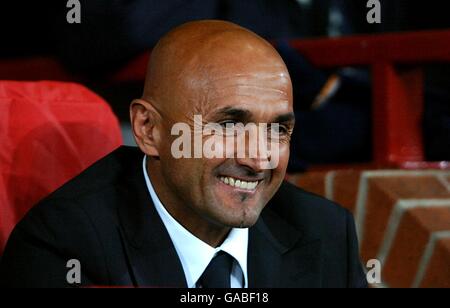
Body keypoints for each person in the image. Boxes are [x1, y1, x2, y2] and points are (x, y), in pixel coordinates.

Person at [0, 20, 367, 288]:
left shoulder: (325, 231)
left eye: (277, 130)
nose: (259, 160)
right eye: (228, 125)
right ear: (148, 129)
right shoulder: (65, 244)